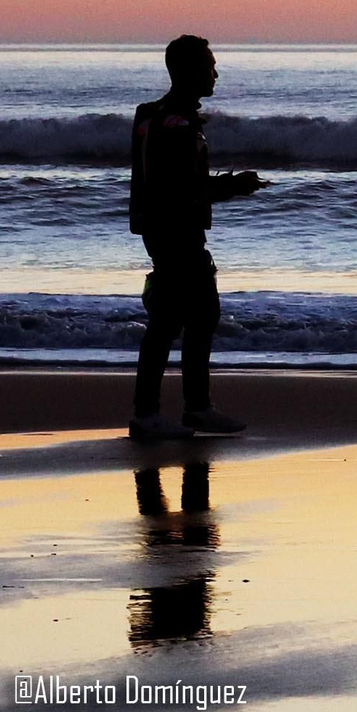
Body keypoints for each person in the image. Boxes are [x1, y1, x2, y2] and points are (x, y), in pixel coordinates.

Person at [128, 35, 266, 440]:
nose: (215, 73)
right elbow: (180, 188)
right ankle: (164, 412)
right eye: (208, 65)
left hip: (158, 226)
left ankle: (186, 407)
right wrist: (233, 187)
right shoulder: (177, 123)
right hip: (175, 230)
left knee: (183, 317)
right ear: (187, 72)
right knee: (186, 318)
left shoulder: (152, 115)